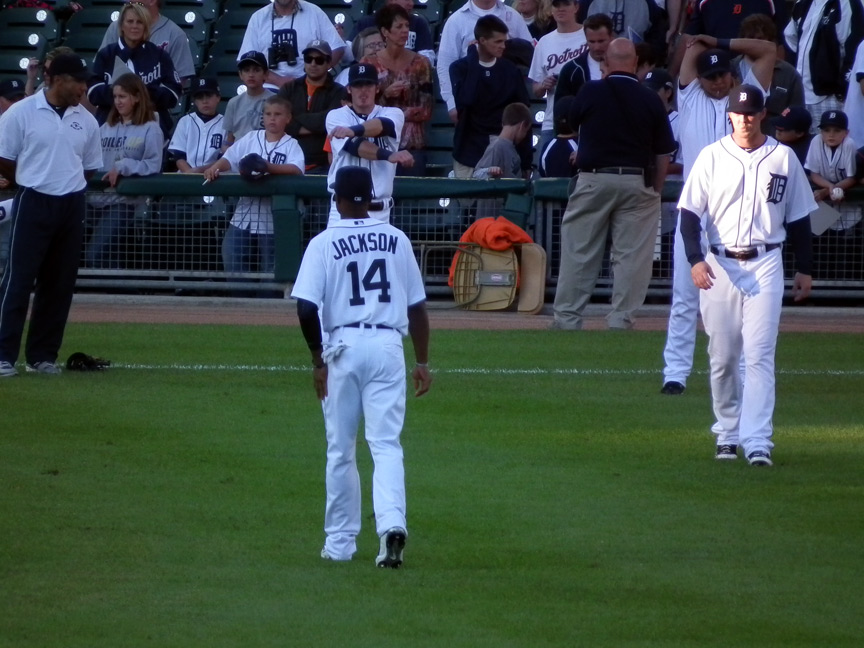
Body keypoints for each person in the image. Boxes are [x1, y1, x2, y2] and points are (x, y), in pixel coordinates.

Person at [291, 165, 432, 567]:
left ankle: (339, 545)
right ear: (370, 199)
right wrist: (421, 361)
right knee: (386, 445)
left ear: (336, 199)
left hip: (344, 347)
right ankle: (391, 526)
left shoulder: (323, 242)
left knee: (341, 450)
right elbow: (417, 307)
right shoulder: (396, 239)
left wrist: (318, 360)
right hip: (389, 345)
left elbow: (305, 307)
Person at [678, 84, 815, 465]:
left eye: (752, 113)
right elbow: (689, 215)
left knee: (759, 355)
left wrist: (805, 268)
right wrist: (694, 259)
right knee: (722, 356)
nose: (745, 119)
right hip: (719, 263)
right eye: (739, 113)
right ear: (729, 116)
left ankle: (757, 441)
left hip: (767, 260)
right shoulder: (711, 156)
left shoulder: (783, 158)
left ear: (763, 114)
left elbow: (800, 216)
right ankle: (727, 432)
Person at [659, 33, 775, 395]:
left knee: (740, 299)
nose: (718, 81)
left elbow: (767, 50)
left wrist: (719, 42)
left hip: (739, 213)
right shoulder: (690, 96)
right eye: (711, 77)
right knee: (684, 296)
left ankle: (741, 372)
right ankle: (675, 373)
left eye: (723, 75)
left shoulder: (746, 101)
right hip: (695, 210)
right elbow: (690, 51)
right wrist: (701, 44)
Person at [550, 39, 676, 330]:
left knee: (580, 252)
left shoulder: (591, 90)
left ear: (605, 62)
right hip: (637, 181)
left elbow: (570, 124)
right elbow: (662, 153)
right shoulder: (650, 99)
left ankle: (567, 320)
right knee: (632, 258)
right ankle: (621, 320)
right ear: (635, 63)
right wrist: (655, 189)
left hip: (594, 178)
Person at [0, 54, 102, 378]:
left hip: (71, 204)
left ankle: (42, 356)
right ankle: (3, 355)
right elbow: (4, 157)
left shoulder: (86, 119)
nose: (84, 87)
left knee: (59, 285)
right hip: (33, 199)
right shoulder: (22, 112)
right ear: (58, 79)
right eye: (78, 80)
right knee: (17, 280)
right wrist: (29, 176)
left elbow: (89, 166)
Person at [203, 95, 304, 277]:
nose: (272, 118)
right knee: (232, 255)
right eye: (268, 114)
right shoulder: (251, 137)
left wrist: (268, 167)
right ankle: (240, 303)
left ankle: (268, 304)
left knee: (270, 268)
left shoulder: (291, 145)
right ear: (262, 117)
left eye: (278, 114)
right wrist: (214, 168)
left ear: (288, 118)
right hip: (244, 213)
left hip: (272, 219)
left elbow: (296, 169)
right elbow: (229, 159)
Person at [85, 73, 163, 269]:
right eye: (115, 97)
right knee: (106, 255)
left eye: (123, 96)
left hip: (124, 203)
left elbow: (153, 165)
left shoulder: (150, 128)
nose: (117, 102)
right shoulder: (106, 127)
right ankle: (118, 296)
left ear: (136, 97)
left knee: (96, 253)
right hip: (95, 200)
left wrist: (124, 166)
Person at [325, 63, 413, 226]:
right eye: (358, 85)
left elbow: (382, 126)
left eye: (368, 84)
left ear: (377, 88)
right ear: (349, 89)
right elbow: (356, 147)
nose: (363, 90)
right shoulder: (335, 116)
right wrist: (390, 155)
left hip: (379, 211)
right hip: (341, 212)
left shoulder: (393, 113)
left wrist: (353, 130)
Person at [449, 15, 533, 179]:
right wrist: (473, 61)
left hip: (501, 150)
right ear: (482, 40)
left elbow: (522, 114)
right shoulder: (460, 68)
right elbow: (466, 99)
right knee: (466, 202)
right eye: (498, 42)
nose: (503, 46)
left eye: (504, 41)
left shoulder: (510, 71)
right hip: (468, 151)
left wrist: (526, 162)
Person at [88, 2, 181, 139]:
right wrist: (122, 94)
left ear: (146, 26)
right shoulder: (107, 54)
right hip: (110, 128)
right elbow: (92, 92)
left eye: (139, 22)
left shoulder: (159, 55)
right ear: (121, 26)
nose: (134, 26)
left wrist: (141, 93)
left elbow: (173, 94)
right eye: (130, 21)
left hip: (150, 129)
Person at [361, 4, 433, 177]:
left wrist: (387, 112)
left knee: (411, 200)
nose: (405, 31)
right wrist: (385, 94)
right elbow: (363, 105)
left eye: (407, 26)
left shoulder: (421, 63)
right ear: (385, 32)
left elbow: (426, 109)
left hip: (412, 145)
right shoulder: (368, 63)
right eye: (399, 26)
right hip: (377, 144)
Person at [436, 0, 533, 122]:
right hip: (471, 100)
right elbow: (445, 65)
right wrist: (451, 103)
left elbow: (530, 55)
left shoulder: (513, 16)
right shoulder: (456, 20)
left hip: (506, 99)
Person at [784, 0, 864, 128]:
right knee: (804, 145)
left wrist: (842, 87)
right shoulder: (802, 3)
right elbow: (790, 38)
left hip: (830, 96)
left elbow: (853, 47)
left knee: (830, 143)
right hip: (800, 95)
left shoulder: (846, 3)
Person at [238, 0, 345, 91]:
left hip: (309, 86)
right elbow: (246, 59)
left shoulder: (314, 12)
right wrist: (279, 80)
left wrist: (314, 76)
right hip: (269, 87)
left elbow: (338, 48)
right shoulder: (258, 18)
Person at [276, 40, 346, 175]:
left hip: (323, 164)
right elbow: (280, 122)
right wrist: (317, 125)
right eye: (309, 59)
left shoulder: (339, 91)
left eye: (319, 60)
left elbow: (330, 122)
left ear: (328, 63)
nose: (313, 64)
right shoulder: (289, 88)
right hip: (288, 161)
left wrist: (296, 118)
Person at [528, 0, 587, 155]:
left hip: (586, 119)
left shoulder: (588, 37)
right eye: (556, 5)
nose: (560, 9)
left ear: (576, 7)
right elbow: (536, 90)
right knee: (548, 174)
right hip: (553, 120)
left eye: (566, 4)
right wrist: (544, 85)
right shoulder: (544, 42)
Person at [734, 14, 805, 135]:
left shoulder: (789, 74)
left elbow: (798, 116)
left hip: (774, 143)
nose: (755, 44)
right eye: (750, 38)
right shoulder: (730, 69)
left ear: (771, 42)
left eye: (761, 39)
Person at [99, 0, 196, 82]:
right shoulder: (116, 27)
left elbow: (180, 79)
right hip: (118, 99)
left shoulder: (175, 34)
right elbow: (101, 66)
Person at [472, 102, 534, 218]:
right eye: (526, 131)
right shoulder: (497, 146)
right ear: (522, 126)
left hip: (504, 217)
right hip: (490, 221)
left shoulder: (510, 147)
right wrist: (489, 170)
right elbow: (475, 176)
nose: (525, 135)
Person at [350, 0, 436, 65]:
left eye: (407, 25)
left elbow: (428, 59)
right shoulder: (367, 22)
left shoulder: (419, 23)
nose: (411, 4)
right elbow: (348, 55)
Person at [553, 14, 614, 104]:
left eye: (601, 41)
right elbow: (561, 108)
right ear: (586, 39)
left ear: (611, 37)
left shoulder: (623, 66)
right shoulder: (570, 70)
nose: (596, 47)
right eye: (592, 42)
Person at [168, 77, 226, 173]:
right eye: (200, 97)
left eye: (208, 96)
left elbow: (224, 158)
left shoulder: (225, 123)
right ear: (194, 101)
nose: (205, 101)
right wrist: (189, 174)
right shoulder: (185, 121)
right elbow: (178, 155)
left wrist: (199, 171)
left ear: (218, 98)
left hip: (216, 175)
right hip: (186, 175)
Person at [224, 51, 271, 147]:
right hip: (238, 153)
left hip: (265, 151)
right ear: (240, 74)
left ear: (266, 74)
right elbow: (229, 139)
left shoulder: (275, 100)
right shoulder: (233, 103)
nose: (251, 75)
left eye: (256, 70)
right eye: (246, 70)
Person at [539, 95, 578, 177]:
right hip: (574, 189)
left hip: (549, 189)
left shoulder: (547, 146)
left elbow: (542, 172)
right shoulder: (580, 147)